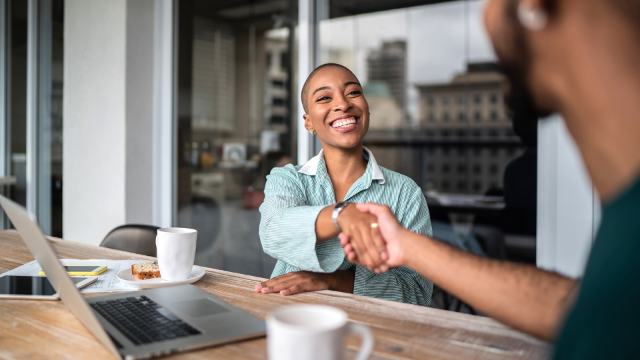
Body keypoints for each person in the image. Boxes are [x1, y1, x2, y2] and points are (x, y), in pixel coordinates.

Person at [340, 0, 640, 358]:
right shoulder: (626, 230)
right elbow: (582, 306)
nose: (484, 18)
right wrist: (405, 246)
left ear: (534, 6)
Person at [257, 63, 435, 306]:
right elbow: (273, 232)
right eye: (324, 97)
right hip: (289, 315)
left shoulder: (405, 192)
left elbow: (416, 293)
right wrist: (342, 215)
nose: (343, 104)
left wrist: (334, 280)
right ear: (308, 122)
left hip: (375, 329)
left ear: (366, 109)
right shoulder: (288, 179)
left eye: (353, 93)